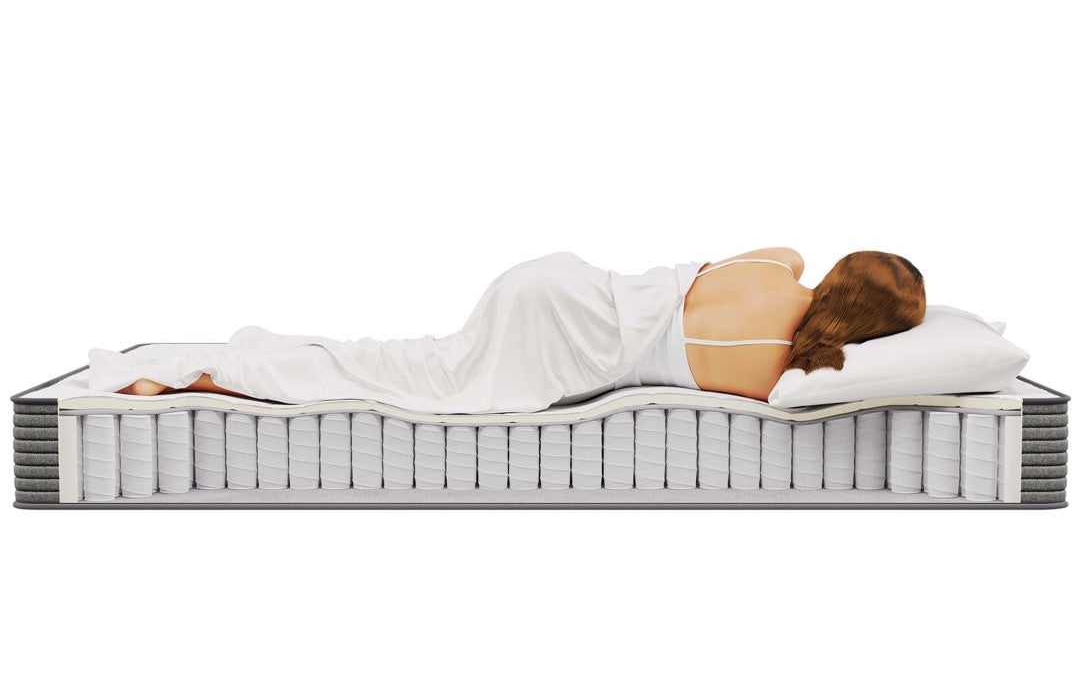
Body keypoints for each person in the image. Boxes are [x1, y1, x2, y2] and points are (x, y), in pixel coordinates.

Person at [90, 248, 925, 412]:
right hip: (569, 343)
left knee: (412, 363)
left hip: (562, 286)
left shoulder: (774, 272)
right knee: (411, 377)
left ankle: (217, 368)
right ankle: (212, 374)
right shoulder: (778, 371)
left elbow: (780, 252)